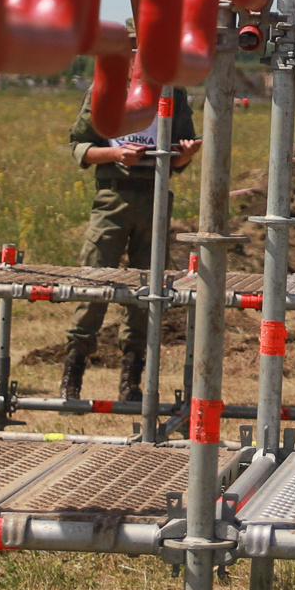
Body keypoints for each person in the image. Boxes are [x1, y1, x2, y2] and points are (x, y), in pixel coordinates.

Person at [60, 89, 199, 404]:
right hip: (112, 198)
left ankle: (132, 381)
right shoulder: (105, 88)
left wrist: (187, 154)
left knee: (147, 293)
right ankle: (73, 375)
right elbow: (79, 147)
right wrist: (115, 154)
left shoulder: (172, 92)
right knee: (94, 284)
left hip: (155, 199)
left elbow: (179, 156)